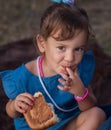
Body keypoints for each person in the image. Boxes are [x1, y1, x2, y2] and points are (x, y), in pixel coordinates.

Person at [0, 0, 106, 130]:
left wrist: (80, 92)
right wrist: (15, 106)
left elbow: (90, 105)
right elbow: (10, 111)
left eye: (78, 49)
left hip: (68, 123)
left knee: (97, 114)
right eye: (62, 48)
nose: (70, 58)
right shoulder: (24, 77)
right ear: (42, 43)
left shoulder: (79, 70)